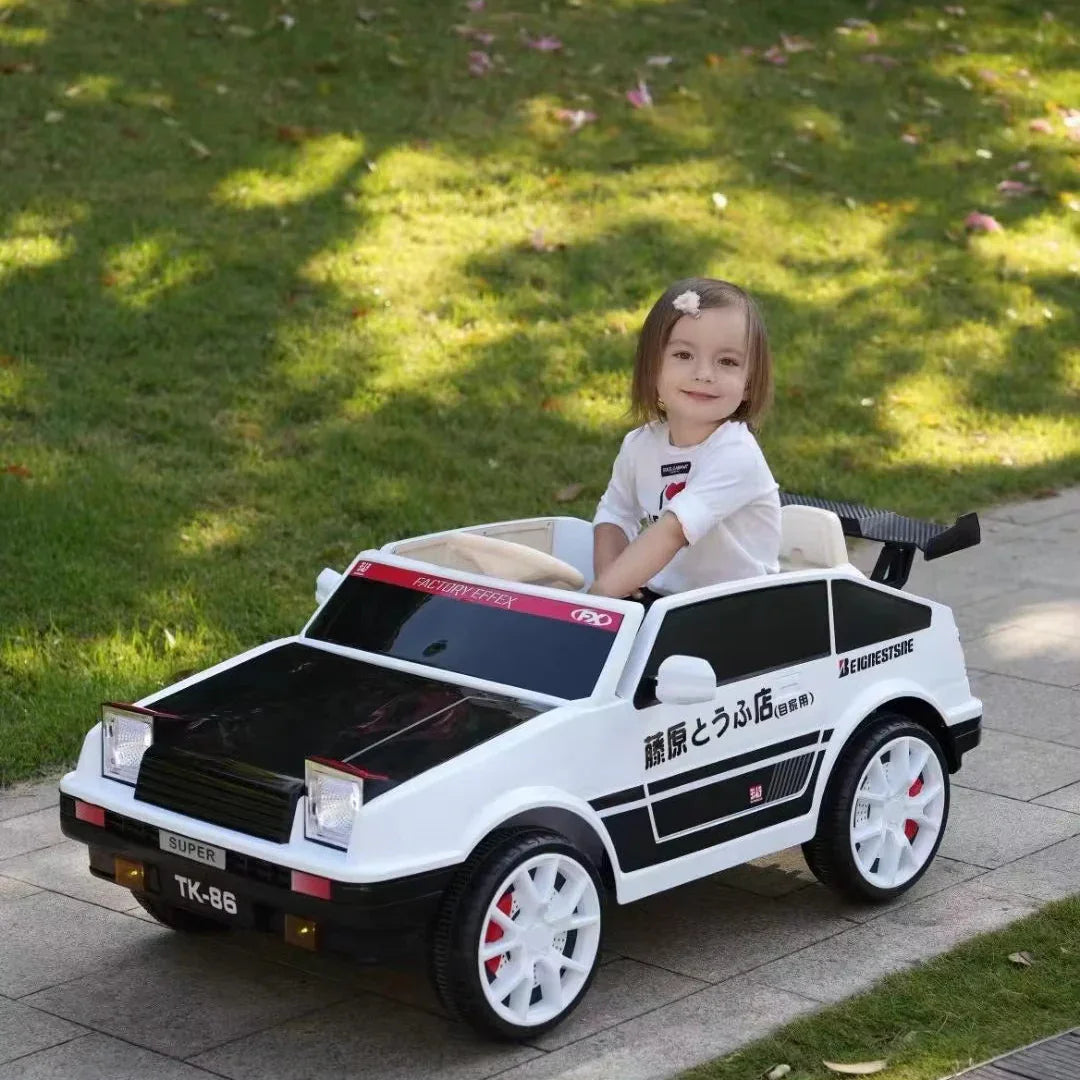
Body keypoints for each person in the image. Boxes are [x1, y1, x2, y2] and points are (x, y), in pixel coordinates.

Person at [588, 277, 780, 603]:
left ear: (749, 383)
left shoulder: (736, 455)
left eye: (727, 362)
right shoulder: (639, 446)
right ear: (652, 367)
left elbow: (673, 531)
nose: (704, 373)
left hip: (738, 609)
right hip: (670, 601)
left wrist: (597, 598)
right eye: (683, 355)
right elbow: (614, 514)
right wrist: (612, 586)